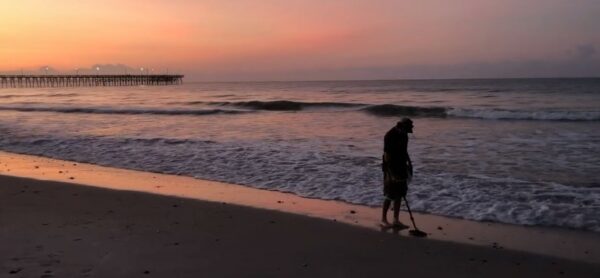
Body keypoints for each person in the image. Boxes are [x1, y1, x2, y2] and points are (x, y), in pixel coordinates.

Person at [381, 118, 413, 227]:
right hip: (390, 167)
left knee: (400, 194)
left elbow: (404, 151)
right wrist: (391, 173)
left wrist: (409, 163)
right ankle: (384, 219)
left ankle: (396, 220)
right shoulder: (390, 135)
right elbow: (387, 156)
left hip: (401, 166)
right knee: (390, 194)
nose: (408, 131)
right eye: (408, 128)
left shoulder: (404, 135)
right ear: (402, 126)